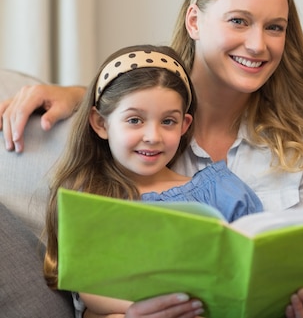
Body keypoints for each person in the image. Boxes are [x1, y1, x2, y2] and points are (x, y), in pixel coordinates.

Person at [0, 0, 303, 318]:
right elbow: (91, 293)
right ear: (195, 20)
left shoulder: (302, 139)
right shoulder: (134, 141)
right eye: (238, 21)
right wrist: (76, 93)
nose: (257, 44)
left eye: (275, 27)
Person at [43, 44, 264, 316]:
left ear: (184, 125)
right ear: (101, 124)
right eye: (135, 120)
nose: (153, 136)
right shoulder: (91, 199)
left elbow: (260, 267)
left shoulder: (221, 190)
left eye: (168, 122)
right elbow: (95, 293)